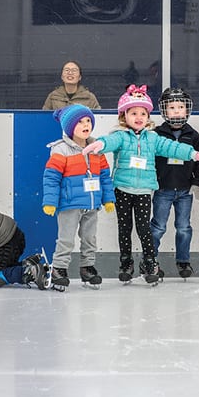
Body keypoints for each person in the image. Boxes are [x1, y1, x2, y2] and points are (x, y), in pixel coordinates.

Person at [82, 84, 199, 285]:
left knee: (145, 229)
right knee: (124, 228)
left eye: (143, 113)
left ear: (148, 116)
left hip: (144, 191)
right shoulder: (120, 135)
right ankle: (126, 262)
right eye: (133, 113)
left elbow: (173, 147)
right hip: (123, 190)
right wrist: (100, 144)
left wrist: (194, 154)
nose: (139, 117)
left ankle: (150, 261)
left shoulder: (153, 138)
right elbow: (109, 141)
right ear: (123, 116)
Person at [42, 104, 115, 291]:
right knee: (66, 239)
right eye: (80, 122)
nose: (85, 124)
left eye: (88, 120)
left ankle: (87, 267)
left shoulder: (97, 148)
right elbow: (51, 177)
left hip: (91, 204)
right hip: (70, 204)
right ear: (69, 127)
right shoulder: (61, 150)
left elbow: (105, 176)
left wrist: (108, 199)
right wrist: (50, 202)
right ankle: (59, 269)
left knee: (90, 238)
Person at [150, 88, 199, 279]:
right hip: (163, 190)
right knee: (158, 227)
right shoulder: (156, 134)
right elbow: (149, 159)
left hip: (184, 190)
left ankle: (183, 261)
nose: (176, 111)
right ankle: (151, 260)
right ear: (164, 110)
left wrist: (197, 182)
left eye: (181, 107)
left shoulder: (194, 136)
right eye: (172, 107)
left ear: (187, 110)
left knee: (183, 227)